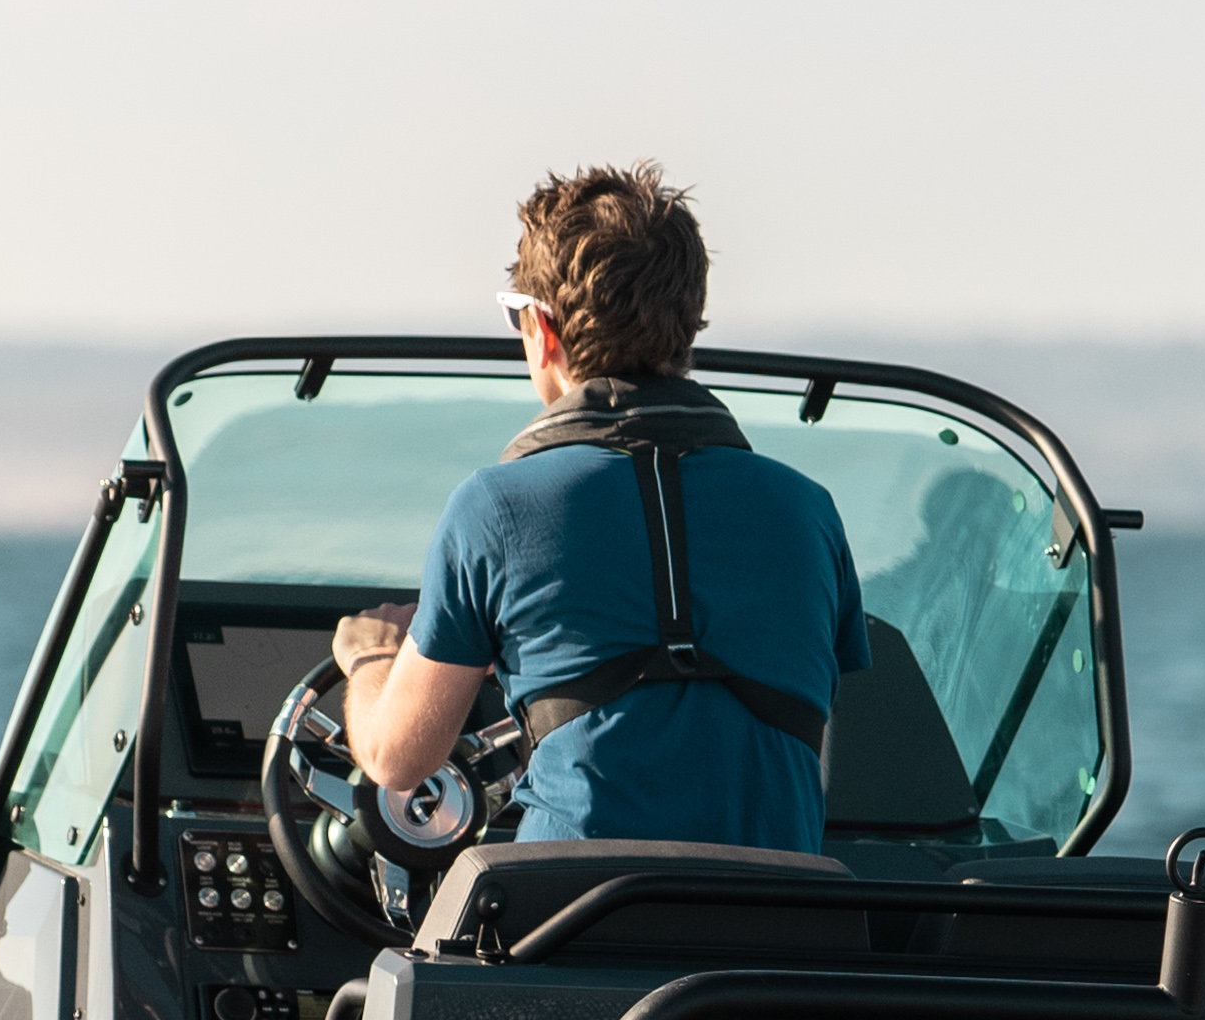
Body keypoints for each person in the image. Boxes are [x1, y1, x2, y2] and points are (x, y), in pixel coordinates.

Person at [331, 167, 859, 853]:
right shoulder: (806, 512)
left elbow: (399, 760)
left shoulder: (494, 509)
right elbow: (812, 747)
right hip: (775, 922)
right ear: (686, 329)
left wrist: (373, 661)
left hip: (574, 926)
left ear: (542, 329)